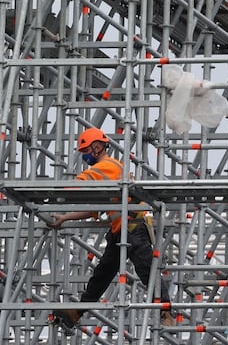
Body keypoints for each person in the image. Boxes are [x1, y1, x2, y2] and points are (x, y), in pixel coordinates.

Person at [49, 127, 176, 328]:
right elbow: (95, 210)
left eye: (86, 151)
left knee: (146, 270)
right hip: (121, 230)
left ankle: (166, 311)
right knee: (103, 273)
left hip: (133, 228)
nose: (85, 157)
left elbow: (77, 185)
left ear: (97, 147)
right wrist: (65, 217)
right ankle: (77, 312)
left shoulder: (106, 167)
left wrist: (49, 191)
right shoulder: (109, 169)